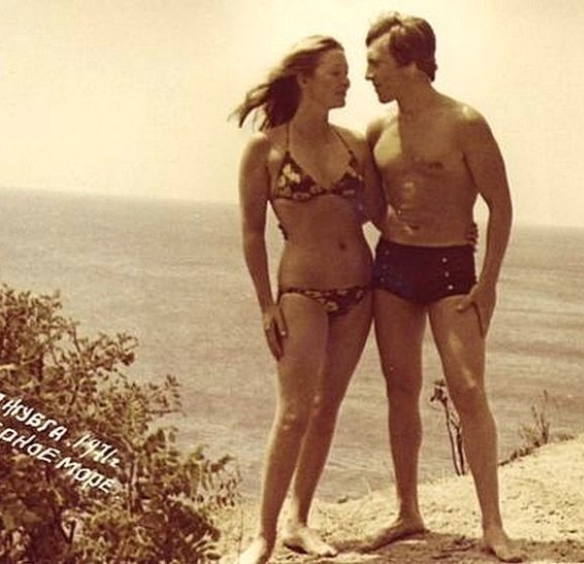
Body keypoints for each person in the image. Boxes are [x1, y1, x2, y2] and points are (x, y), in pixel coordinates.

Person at [362, 12, 524, 562]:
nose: (368, 75)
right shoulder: (377, 131)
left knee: (469, 389)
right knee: (400, 388)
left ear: (410, 63)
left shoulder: (464, 122)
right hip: (393, 266)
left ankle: (493, 525)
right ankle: (407, 510)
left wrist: (490, 282)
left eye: (376, 63)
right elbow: (371, 204)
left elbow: (501, 205)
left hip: (453, 266)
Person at [230, 35, 384, 564]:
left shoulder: (355, 144)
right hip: (300, 292)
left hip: (359, 288)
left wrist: (443, 228)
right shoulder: (265, 149)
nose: (348, 81)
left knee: (326, 408)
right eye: (335, 72)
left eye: (346, 72)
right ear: (304, 79)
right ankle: (263, 535)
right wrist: (264, 305)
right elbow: (252, 234)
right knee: (294, 413)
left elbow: (379, 214)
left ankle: (298, 520)